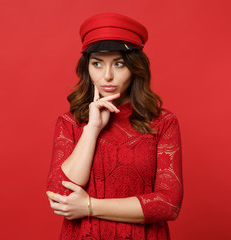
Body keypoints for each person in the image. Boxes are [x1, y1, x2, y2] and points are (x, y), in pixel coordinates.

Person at [46, 13, 183, 240]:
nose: (107, 76)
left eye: (118, 63)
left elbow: (168, 204)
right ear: (86, 68)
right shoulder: (70, 122)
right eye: (97, 63)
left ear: (135, 67)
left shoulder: (162, 122)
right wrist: (92, 129)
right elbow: (60, 195)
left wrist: (90, 206)